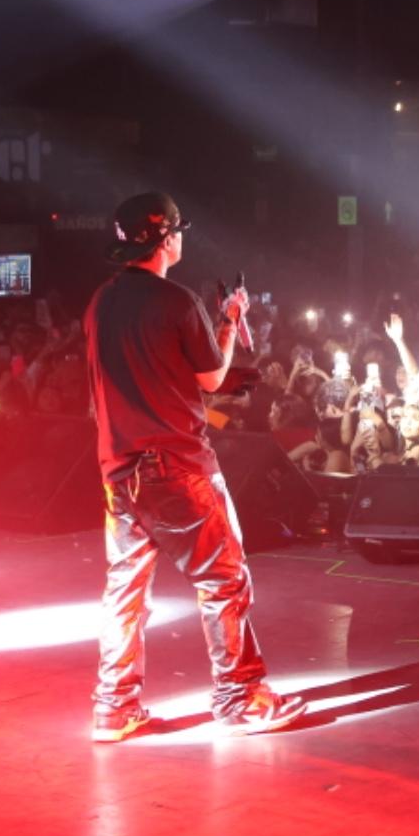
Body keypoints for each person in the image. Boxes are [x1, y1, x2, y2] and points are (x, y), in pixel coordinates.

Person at [85, 192, 304, 742]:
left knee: (125, 591)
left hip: (120, 471)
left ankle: (114, 708)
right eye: (178, 230)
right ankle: (241, 699)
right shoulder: (177, 302)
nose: (182, 238)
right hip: (177, 466)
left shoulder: (99, 304)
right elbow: (210, 379)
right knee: (223, 579)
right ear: (165, 238)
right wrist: (229, 320)